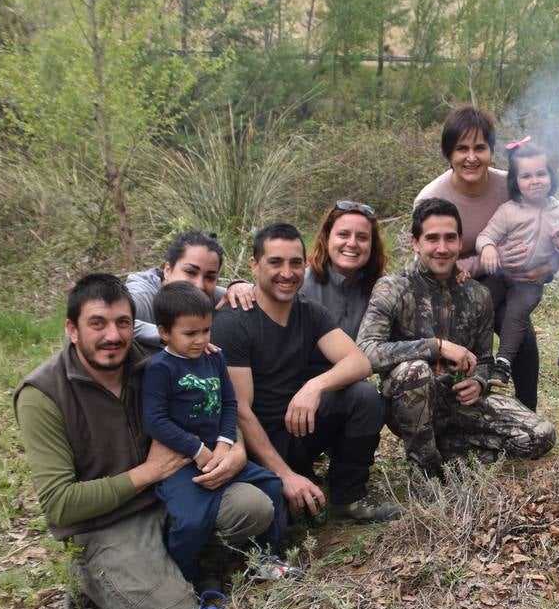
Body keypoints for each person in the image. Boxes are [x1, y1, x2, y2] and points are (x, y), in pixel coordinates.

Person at [14, 274, 275, 609]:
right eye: (97, 324)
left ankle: (175, 562)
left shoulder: (154, 360)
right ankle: (93, 580)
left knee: (255, 507)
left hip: (173, 493)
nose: (113, 336)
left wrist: (233, 447)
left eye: (122, 323)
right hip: (107, 524)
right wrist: (148, 472)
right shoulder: (42, 395)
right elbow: (60, 505)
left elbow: (217, 405)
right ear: (72, 330)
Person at [211, 223, 398, 523]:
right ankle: (288, 482)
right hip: (255, 447)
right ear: (254, 265)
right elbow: (241, 413)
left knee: (363, 395)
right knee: (279, 521)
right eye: (276, 262)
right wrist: (284, 475)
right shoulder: (233, 323)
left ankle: (348, 498)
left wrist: (315, 386)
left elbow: (359, 362)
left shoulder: (308, 311)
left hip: (297, 428)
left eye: (295, 263)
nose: (287, 273)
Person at [357, 198, 555, 479]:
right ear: (415, 243)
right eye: (432, 238)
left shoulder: (477, 295)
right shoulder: (393, 287)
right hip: (408, 403)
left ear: (460, 242)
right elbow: (366, 351)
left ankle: (448, 450)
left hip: (460, 405)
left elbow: (485, 360)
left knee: (540, 435)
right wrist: (436, 347)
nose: (442, 247)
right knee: (414, 371)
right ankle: (427, 472)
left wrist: (479, 382)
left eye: (450, 238)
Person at [141, 282, 291, 583]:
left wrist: (224, 444)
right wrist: (197, 451)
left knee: (273, 485)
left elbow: (229, 402)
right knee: (191, 521)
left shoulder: (214, 358)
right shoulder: (160, 368)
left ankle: (264, 557)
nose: (200, 340)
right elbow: (155, 420)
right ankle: (187, 579)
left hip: (219, 452)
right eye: (190, 333)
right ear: (164, 332)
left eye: (206, 331)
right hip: (181, 463)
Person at [415, 106, 541, 410]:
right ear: (448, 154)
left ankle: (527, 409)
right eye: (461, 149)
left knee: (522, 334)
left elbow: (550, 224)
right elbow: (430, 265)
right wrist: (483, 262)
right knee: (459, 357)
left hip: (503, 285)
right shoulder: (432, 198)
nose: (471, 157)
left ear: (491, 150)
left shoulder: (510, 186)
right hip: (451, 290)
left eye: (480, 148)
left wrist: (547, 267)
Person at [476, 140, 559, 387]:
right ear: (515, 182)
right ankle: (479, 357)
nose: (535, 181)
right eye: (526, 176)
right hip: (500, 275)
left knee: (516, 314)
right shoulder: (508, 211)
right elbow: (486, 236)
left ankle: (502, 364)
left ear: (551, 177)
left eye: (541, 174)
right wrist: (489, 249)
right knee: (481, 304)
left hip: (530, 282)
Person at [222, 201, 388, 338]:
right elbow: (263, 294)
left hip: (351, 371)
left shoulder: (380, 291)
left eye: (362, 237)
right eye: (343, 235)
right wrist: (238, 286)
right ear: (326, 238)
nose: (352, 243)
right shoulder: (299, 283)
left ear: (372, 245)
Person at [127, 230, 228, 352]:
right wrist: (174, 337)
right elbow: (112, 322)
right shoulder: (142, 296)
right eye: (190, 272)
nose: (199, 285)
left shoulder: (210, 295)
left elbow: (245, 295)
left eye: (209, 277)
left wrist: (238, 286)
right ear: (168, 270)